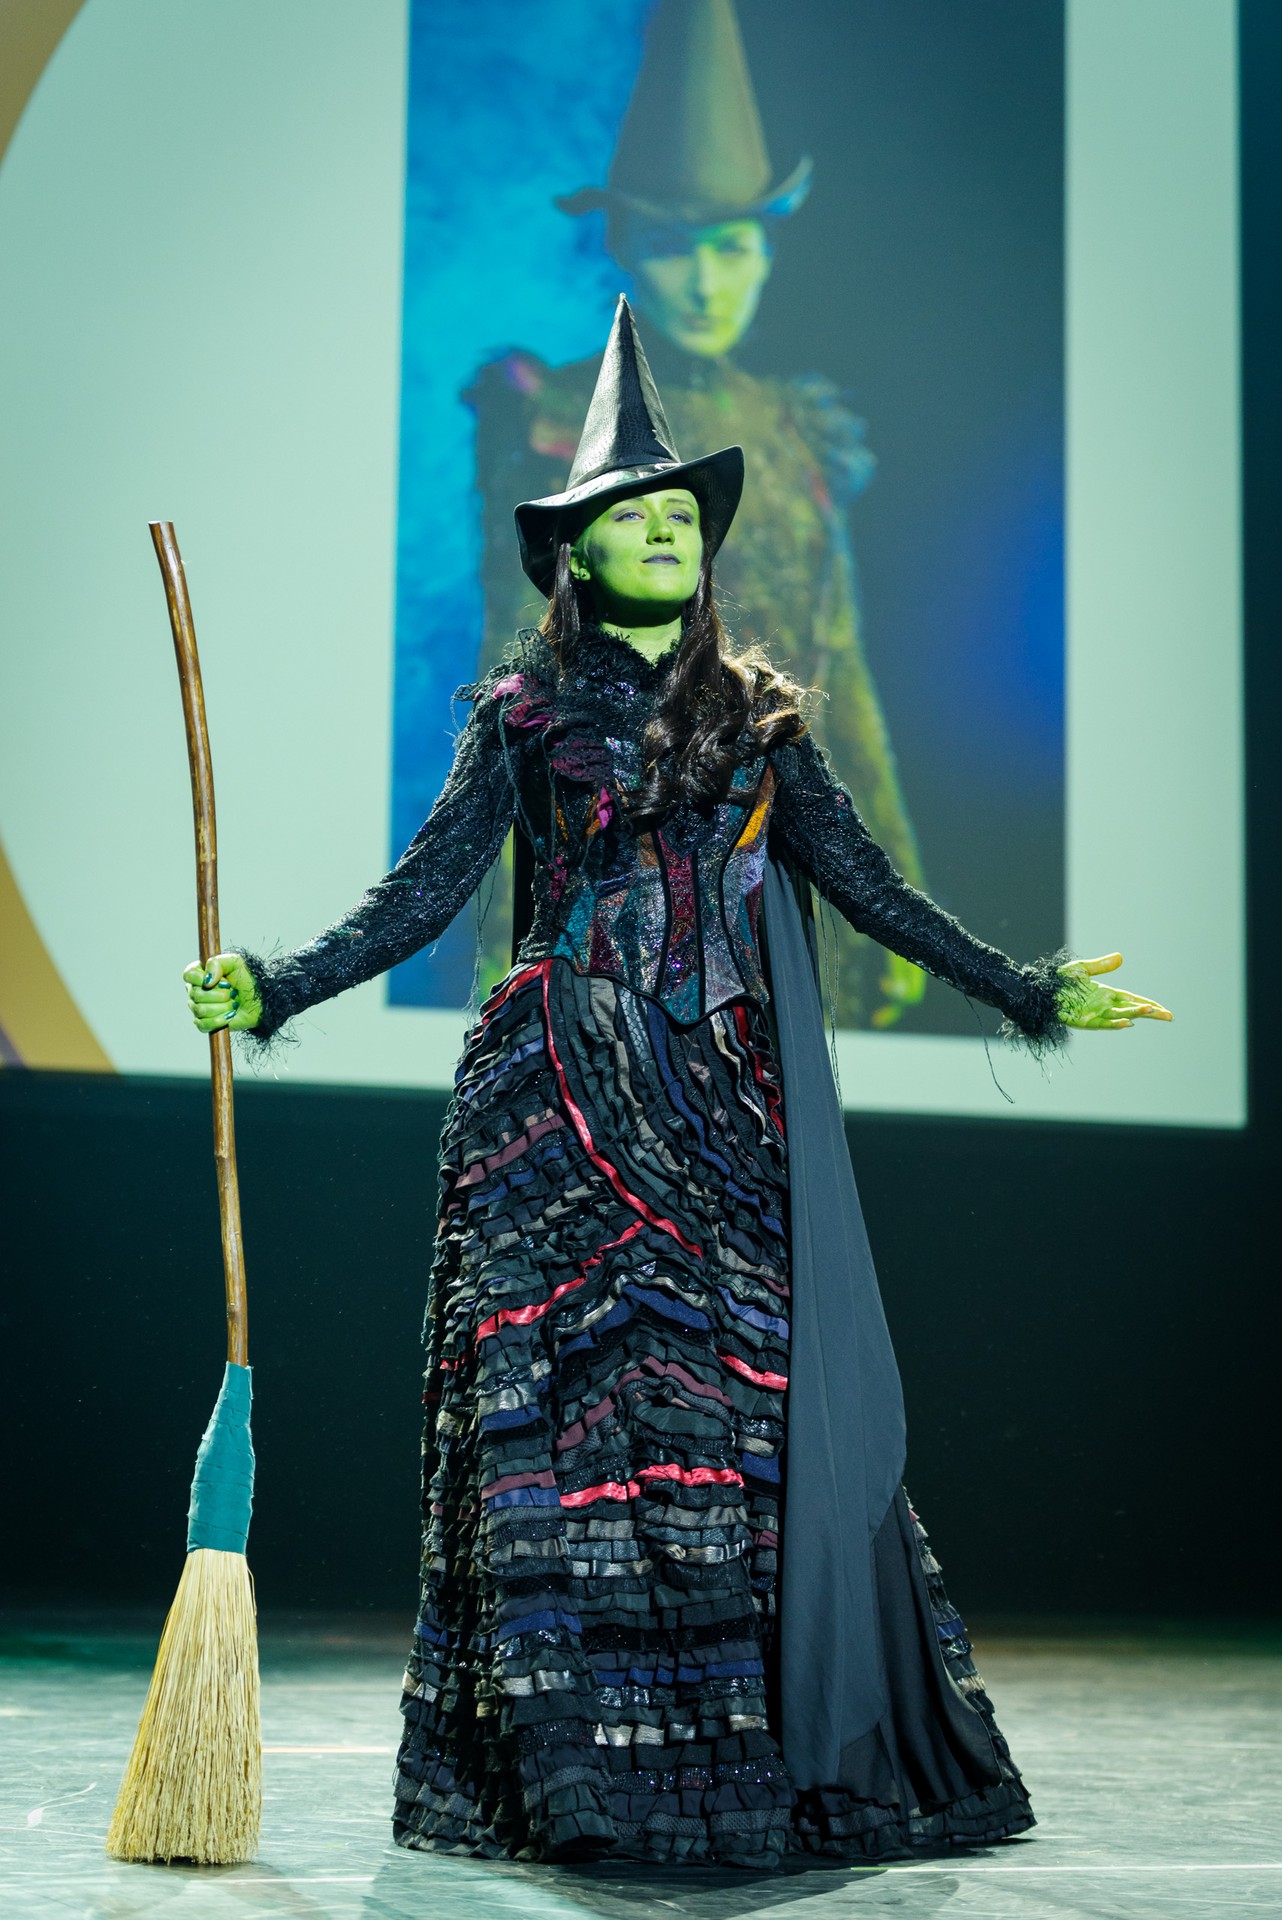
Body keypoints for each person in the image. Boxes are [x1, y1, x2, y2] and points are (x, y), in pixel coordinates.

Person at [185, 300, 1169, 1866]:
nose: (660, 529)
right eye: (627, 513)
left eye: (676, 514)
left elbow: (869, 888)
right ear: (571, 552)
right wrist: (278, 983)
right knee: (571, 1429)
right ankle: (581, 1777)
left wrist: (1026, 990)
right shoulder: (518, 717)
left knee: (740, 1416)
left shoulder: (762, 721)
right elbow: (426, 893)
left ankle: (747, 1761)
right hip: (550, 1104)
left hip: (715, 1106)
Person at [467, 0, 927, 1029]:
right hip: (617, 852)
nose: (708, 283)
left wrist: (889, 893)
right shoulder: (553, 418)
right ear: (625, 249)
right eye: (675, 248)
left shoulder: (793, 427)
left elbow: (841, 672)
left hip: (780, 845)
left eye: (733, 248)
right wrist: (509, 920)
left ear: (767, 254)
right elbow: (515, 669)